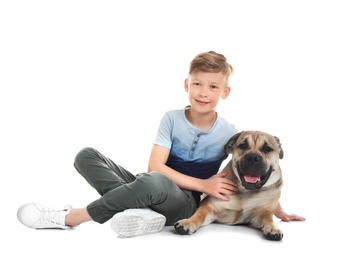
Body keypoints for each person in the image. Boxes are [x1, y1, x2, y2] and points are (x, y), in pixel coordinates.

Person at [17, 51, 305, 238]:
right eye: (197, 84)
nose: (203, 93)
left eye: (213, 87)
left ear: (225, 91)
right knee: (86, 155)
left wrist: (276, 209)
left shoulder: (230, 134)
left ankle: (73, 217)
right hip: (151, 182)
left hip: (182, 202)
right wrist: (205, 184)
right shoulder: (171, 118)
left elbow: (254, 175)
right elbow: (154, 166)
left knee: (154, 183)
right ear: (186, 85)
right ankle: (141, 211)